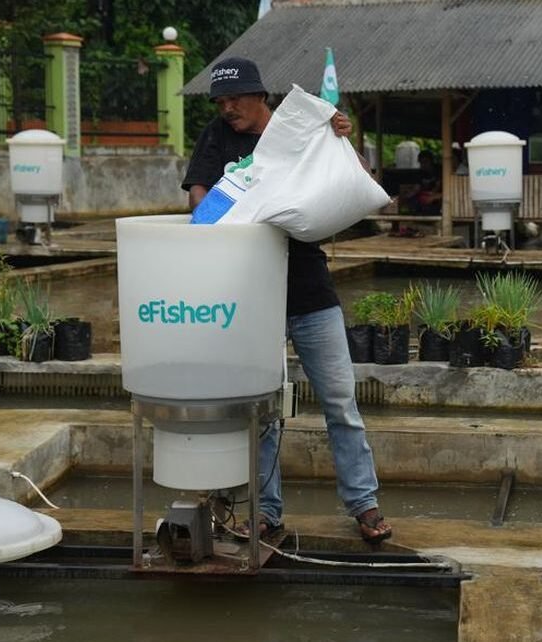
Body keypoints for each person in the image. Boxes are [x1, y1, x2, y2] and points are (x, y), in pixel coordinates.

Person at [182, 57, 392, 544]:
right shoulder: (218, 137)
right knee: (262, 410)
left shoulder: (301, 130)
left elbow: (357, 177)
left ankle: (364, 505)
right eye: (220, 100)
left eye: (235, 99)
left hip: (310, 291)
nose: (227, 107)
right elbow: (198, 195)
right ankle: (266, 512)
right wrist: (224, 215)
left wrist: (343, 137)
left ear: (261, 97)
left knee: (341, 404)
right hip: (251, 296)